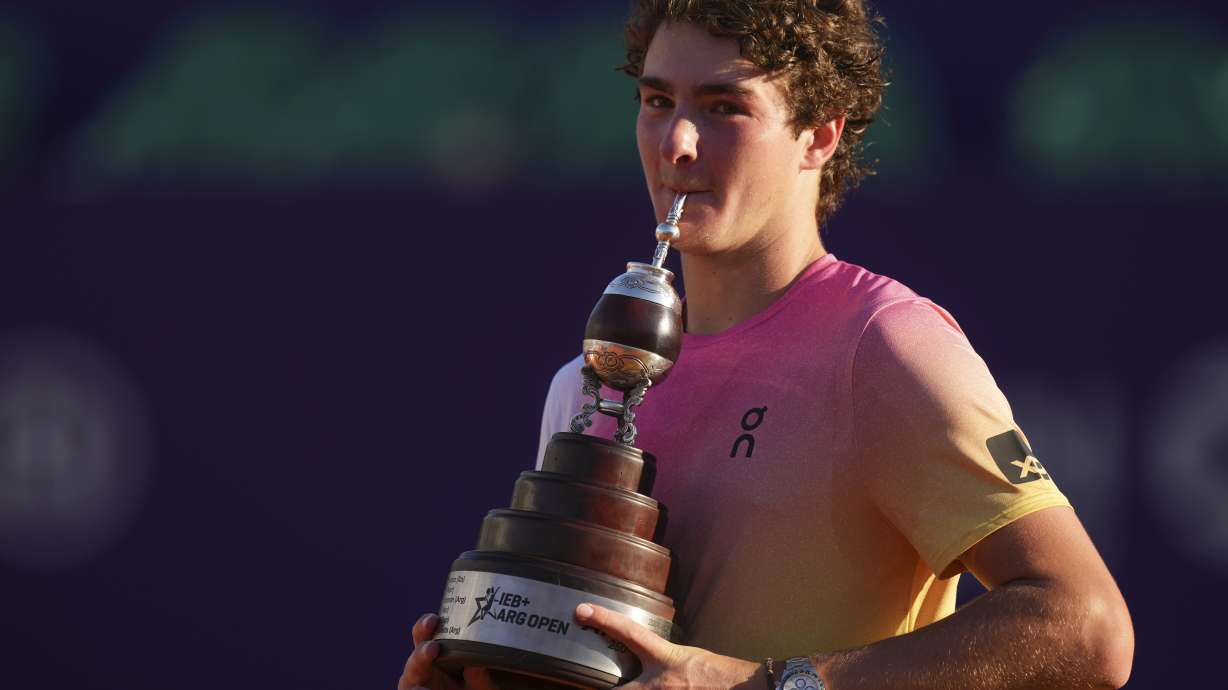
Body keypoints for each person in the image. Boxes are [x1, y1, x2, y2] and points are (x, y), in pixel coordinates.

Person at [400, 1, 1134, 688]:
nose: (677, 144)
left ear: (820, 134)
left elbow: (1089, 626)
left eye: (724, 109)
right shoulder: (584, 383)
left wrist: (768, 683)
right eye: (658, 102)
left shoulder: (883, 344)